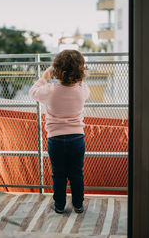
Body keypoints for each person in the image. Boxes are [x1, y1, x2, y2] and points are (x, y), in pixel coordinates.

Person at [29, 49, 90, 214]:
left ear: (57, 70)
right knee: (77, 173)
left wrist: (44, 77)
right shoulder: (82, 90)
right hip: (77, 138)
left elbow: (32, 92)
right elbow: (83, 85)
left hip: (55, 139)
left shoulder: (49, 90)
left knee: (59, 174)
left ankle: (59, 206)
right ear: (80, 71)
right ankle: (78, 205)